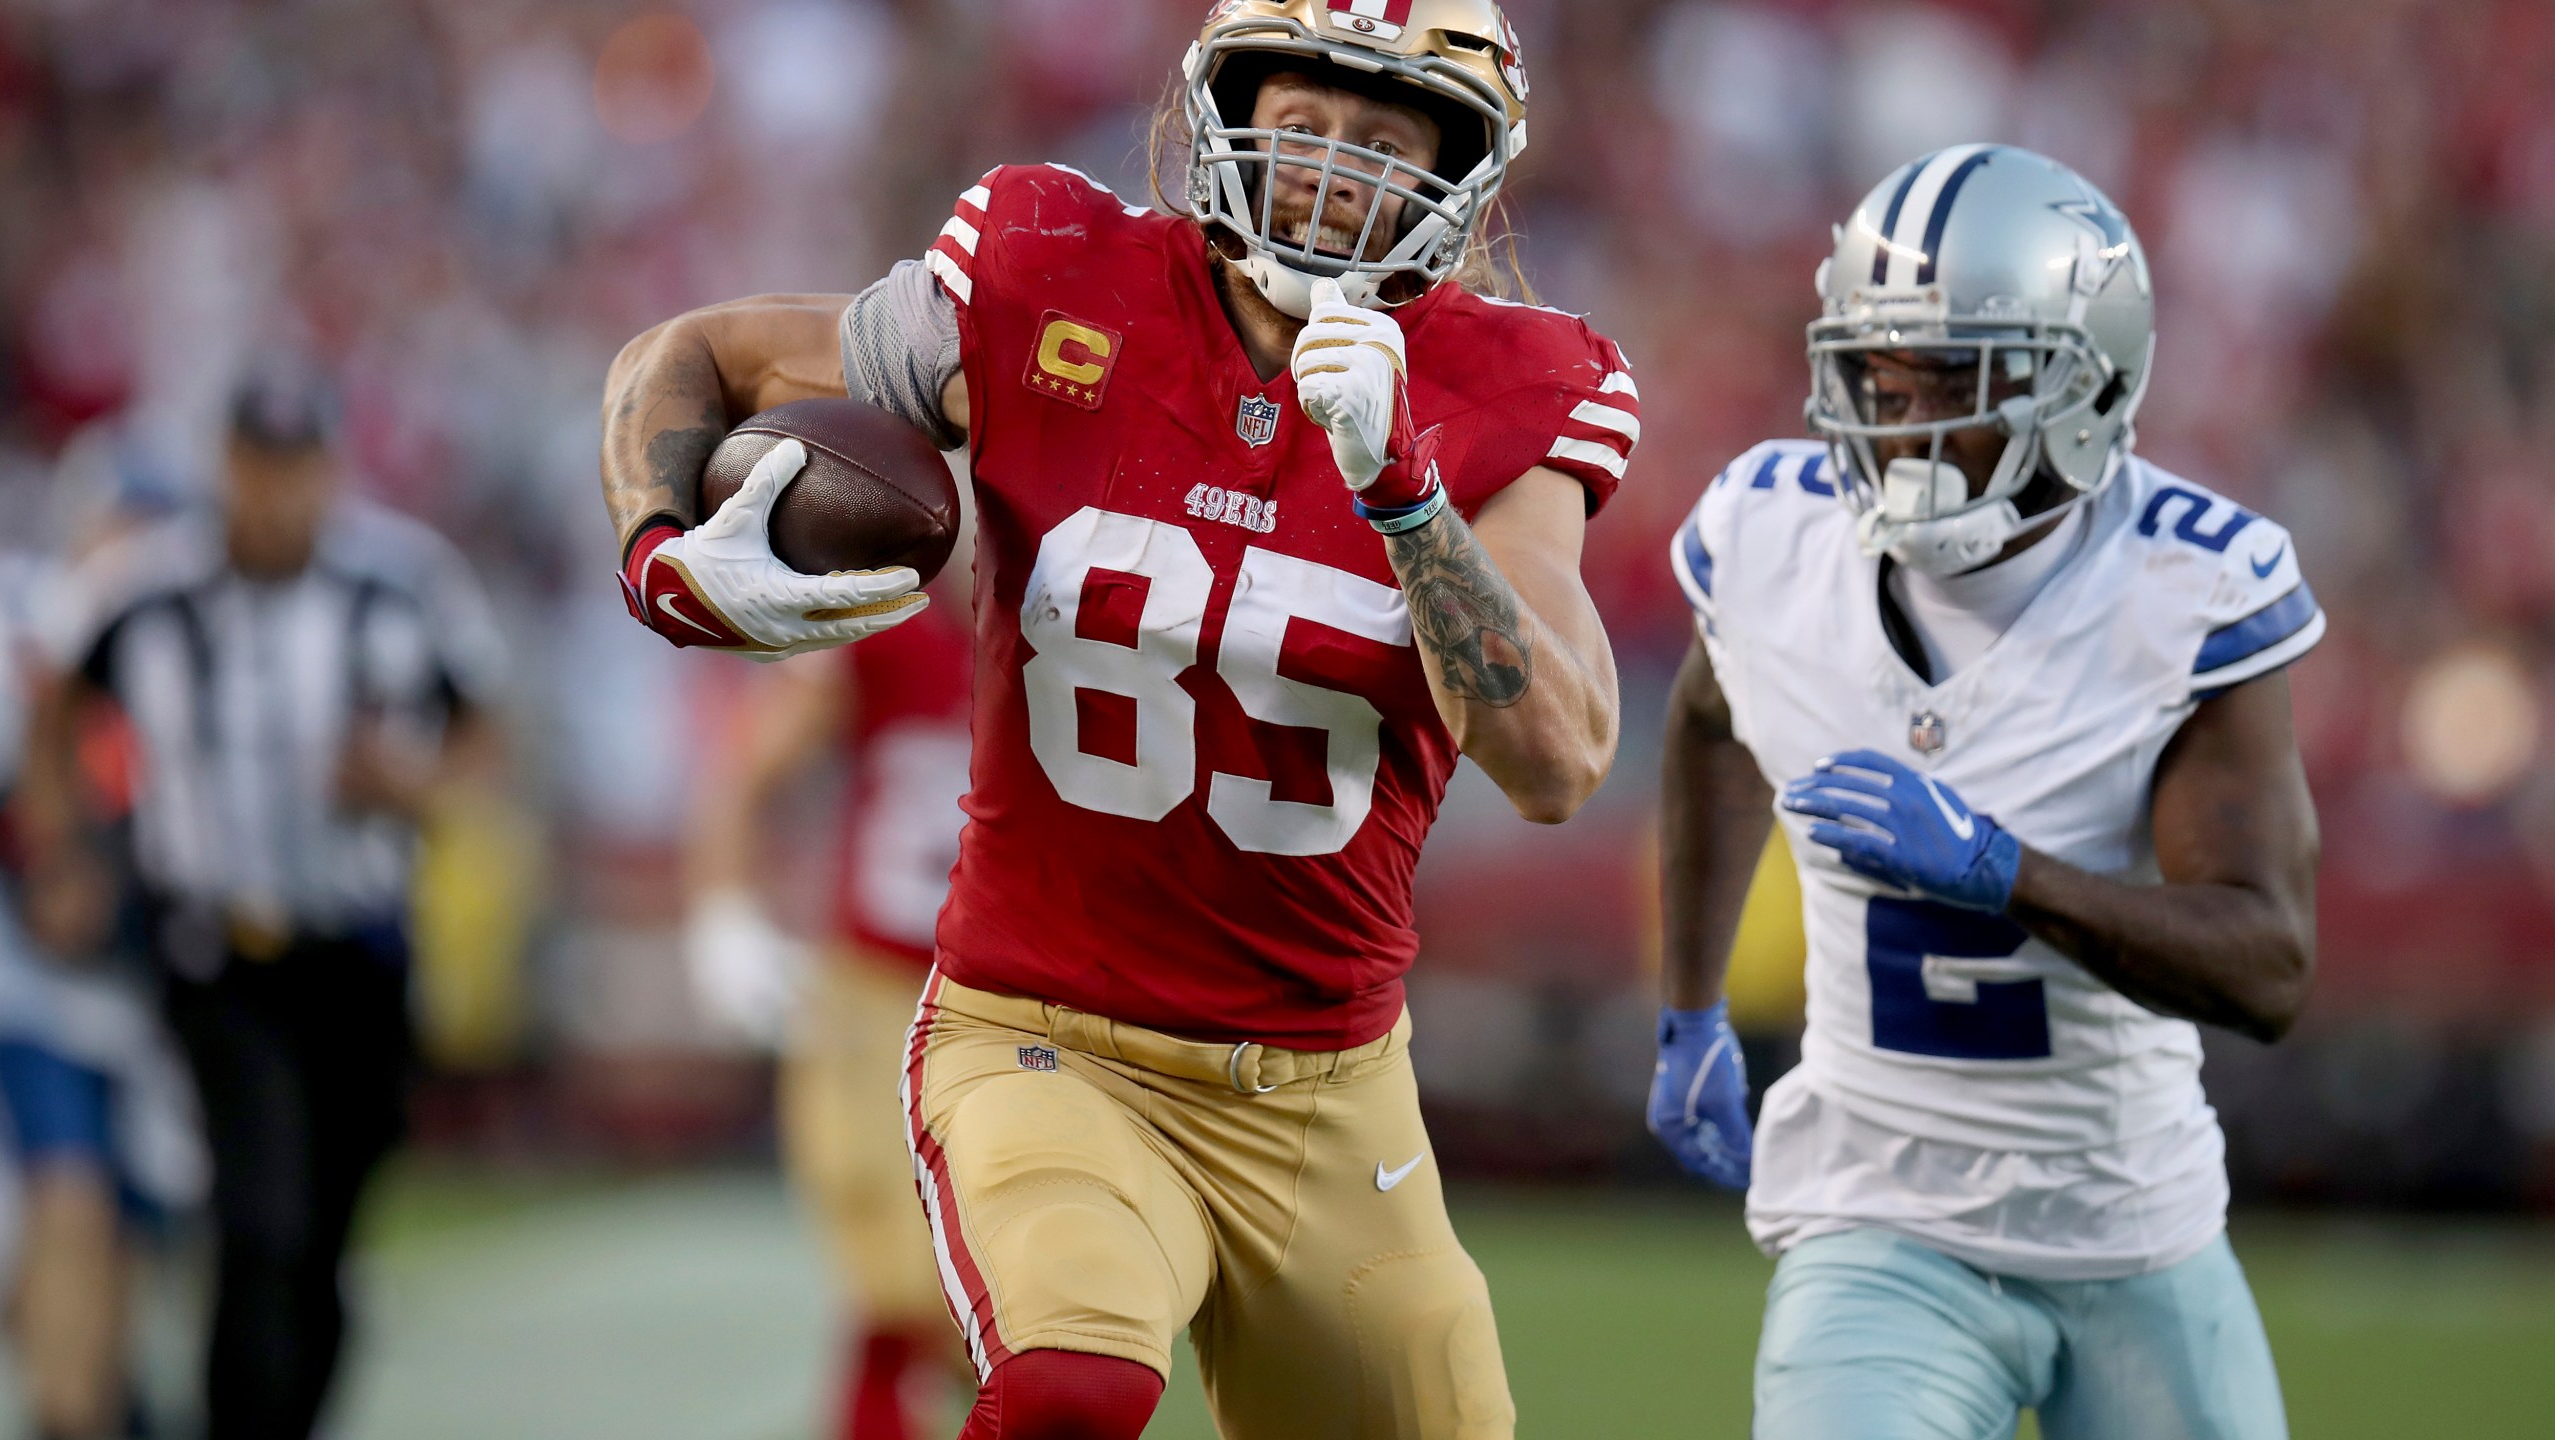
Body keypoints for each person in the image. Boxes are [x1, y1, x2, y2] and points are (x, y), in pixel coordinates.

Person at [601, 3, 1636, 1434]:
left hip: (1328, 1089)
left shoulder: (1516, 386)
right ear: (1224, 115)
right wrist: (662, 546)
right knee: (1070, 1383)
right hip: (1047, 1033)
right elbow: (693, 355)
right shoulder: (1049, 281)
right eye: (1307, 122)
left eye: (1386, 139)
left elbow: (1561, 759)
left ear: (1460, 173)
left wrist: (1404, 493)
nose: (1336, 170)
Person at [1651, 144, 2316, 1438]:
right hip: (1877, 1210)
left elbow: (2269, 964)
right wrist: (1690, 1011)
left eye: (1953, 379)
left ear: (2088, 382)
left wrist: (2007, 873)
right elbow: (1707, 720)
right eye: (1873, 375)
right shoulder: (1769, 538)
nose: (1899, 420)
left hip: (2131, 1218)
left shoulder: (2190, 589)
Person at [23, 364, 507, 1440]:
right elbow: (55, 706)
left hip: (362, 949)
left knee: (325, 1235)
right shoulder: (146, 591)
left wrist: (413, 785)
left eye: (298, 467)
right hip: (218, 950)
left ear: (330, 469)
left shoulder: (402, 580)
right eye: (258, 465)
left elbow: (484, 732)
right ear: (225, 466)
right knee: (263, 1219)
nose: (278, 492)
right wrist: (66, 854)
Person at [683, 578, 975, 1440]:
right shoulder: (888, 636)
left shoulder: (1068, 639)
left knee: (1010, 1294)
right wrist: (723, 913)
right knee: (891, 1278)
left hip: (1007, 1003)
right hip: (874, 993)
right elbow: (746, 767)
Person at [0, 544, 207, 1440]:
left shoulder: (186, 627)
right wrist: (55, 858)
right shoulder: (44, 627)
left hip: (151, 991)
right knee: (71, 1206)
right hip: (41, 994)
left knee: (134, 1222)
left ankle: (105, 1400)